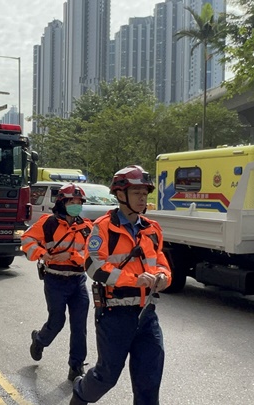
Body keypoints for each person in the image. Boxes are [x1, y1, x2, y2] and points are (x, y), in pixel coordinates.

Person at [71, 165, 171, 405]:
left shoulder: (152, 229)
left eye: (144, 193)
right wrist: (133, 280)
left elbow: (161, 263)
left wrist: (162, 277)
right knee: (106, 377)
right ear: (121, 194)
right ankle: (81, 392)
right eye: (136, 192)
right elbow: (94, 267)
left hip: (147, 314)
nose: (142, 197)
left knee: (149, 380)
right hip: (114, 314)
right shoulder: (102, 227)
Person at [22, 184, 93, 381]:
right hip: (55, 280)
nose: (76, 205)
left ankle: (76, 367)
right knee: (57, 321)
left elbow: (93, 254)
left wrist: (73, 256)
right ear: (62, 202)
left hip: (78, 281)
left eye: (79, 202)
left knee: (79, 327)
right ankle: (39, 340)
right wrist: (44, 255)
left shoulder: (87, 228)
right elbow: (27, 240)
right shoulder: (48, 223)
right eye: (72, 202)